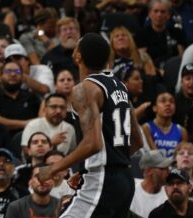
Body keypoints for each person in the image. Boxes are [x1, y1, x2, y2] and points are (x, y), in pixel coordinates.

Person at [38, 33, 143, 217]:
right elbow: (136, 141)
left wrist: (54, 168)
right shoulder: (119, 86)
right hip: (125, 180)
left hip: (102, 180)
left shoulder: (84, 89)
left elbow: (93, 143)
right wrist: (94, 167)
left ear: (78, 56)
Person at [142, 92, 188, 157]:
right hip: (154, 165)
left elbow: (182, 156)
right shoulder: (146, 128)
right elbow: (154, 155)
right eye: (163, 101)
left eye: (171, 102)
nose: (168, 104)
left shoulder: (182, 131)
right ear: (154, 108)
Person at [130, 150, 172, 218]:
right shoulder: (131, 190)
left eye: (167, 168)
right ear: (148, 171)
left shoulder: (170, 194)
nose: (168, 172)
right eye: (162, 168)